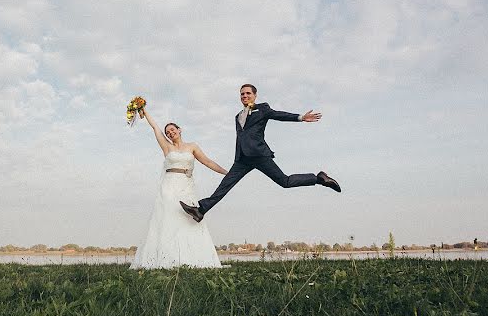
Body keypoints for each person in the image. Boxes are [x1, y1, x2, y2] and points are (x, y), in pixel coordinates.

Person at [180, 83, 340, 223]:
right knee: (225, 185)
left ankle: (319, 179)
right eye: (242, 94)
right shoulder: (238, 116)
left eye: (248, 93)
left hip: (259, 155)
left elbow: (279, 115)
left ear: (254, 95)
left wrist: (300, 117)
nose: (245, 96)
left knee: (285, 182)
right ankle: (200, 210)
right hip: (242, 159)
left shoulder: (262, 109)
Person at [130, 107, 228, 269]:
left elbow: (208, 162)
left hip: (186, 186)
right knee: (169, 217)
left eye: (172, 130)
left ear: (179, 130)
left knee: (188, 218)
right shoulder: (167, 147)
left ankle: (193, 257)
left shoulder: (192, 146)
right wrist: (144, 110)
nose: (170, 133)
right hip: (169, 186)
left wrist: (227, 173)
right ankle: (165, 258)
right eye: (167, 132)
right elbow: (155, 127)